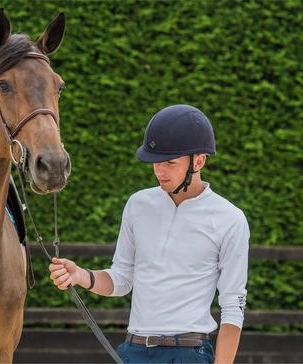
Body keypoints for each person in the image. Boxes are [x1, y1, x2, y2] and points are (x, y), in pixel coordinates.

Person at [49, 104, 249, 364]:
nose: (159, 171)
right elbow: (121, 279)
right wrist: (81, 276)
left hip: (189, 353)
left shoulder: (229, 219)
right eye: (155, 161)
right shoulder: (137, 205)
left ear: (198, 161)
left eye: (170, 162)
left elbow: (233, 306)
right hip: (134, 351)